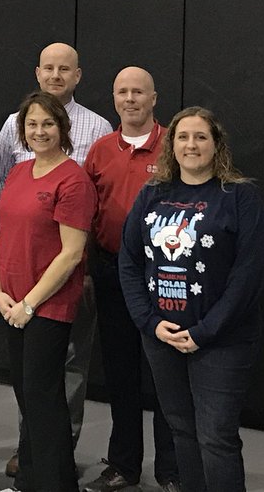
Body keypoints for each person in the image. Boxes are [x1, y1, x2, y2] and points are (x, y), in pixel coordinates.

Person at [118, 107, 264, 492]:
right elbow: (129, 261)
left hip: (221, 342)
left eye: (201, 137)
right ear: (172, 145)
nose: (191, 144)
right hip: (162, 338)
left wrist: (204, 331)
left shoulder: (240, 197)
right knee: (181, 430)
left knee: (216, 436)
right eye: (183, 136)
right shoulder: (153, 193)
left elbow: (248, 277)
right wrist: (149, 323)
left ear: (216, 144)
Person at [0, 42, 111, 477]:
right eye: (33, 125)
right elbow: (3, 218)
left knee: (56, 385)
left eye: (48, 125)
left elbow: (73, 247)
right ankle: (31, 469)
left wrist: (29, 303)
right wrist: (0, 291)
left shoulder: (86, 149)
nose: (39, 131)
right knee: (30, 390)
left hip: (54, 291)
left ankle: (54, 474)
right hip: (16, 293)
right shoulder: (21, 165)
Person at [82, 67, 179, 492]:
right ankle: (123, 464)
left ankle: (172, 470)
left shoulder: (175, 147)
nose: (130, 99)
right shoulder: (100, 150)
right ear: (114, 99)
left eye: (138, 92)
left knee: (165, 377)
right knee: (120, 374)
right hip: (111, 271)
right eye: (122, 92)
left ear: (154, 98)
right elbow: (88, 213)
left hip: (164, 277)